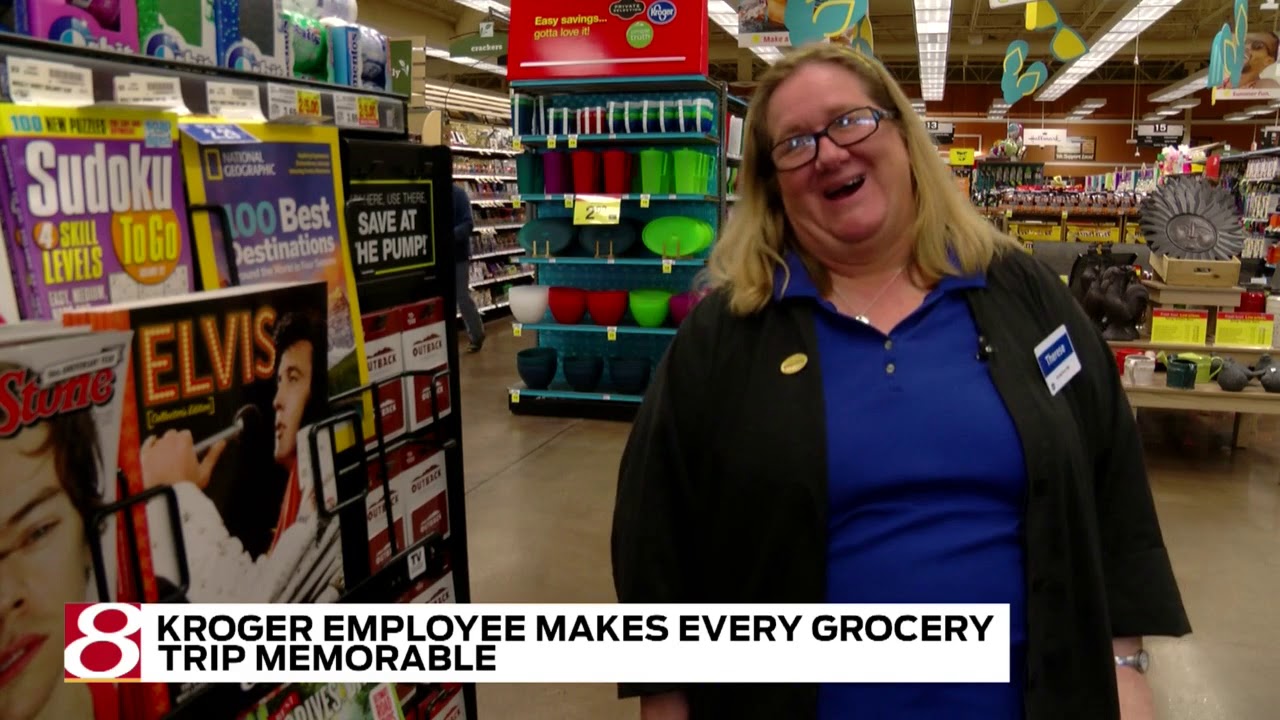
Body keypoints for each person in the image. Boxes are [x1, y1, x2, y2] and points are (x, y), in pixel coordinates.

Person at [611, 44, 1190, 720]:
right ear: (772, 183)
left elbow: (1110, 477)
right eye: (795, 143)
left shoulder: (1018, 290)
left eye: (849, 121)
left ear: (903, 136)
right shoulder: (728, 334)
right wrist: (666, 699)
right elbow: (657, 536)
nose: (827, 153)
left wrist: (1124, 666)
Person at [139, 310, 340, 603]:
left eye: (293, 379)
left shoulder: (329, 488)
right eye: (279, 381)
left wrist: (179, 494)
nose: (277, 400)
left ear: (322, 393)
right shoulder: (300, 495)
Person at [0, 363, 120, 720]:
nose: (4, 598)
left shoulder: (105, 642)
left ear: (88, 534)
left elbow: (283, 645)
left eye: (37, 532)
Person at [453, 184, 485, 353]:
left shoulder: (458, 194)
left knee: (462, 297)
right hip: (438, 257)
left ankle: (477, 335)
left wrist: (450, 235)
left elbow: (468, 223)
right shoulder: (431, 192)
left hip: (458, 255)